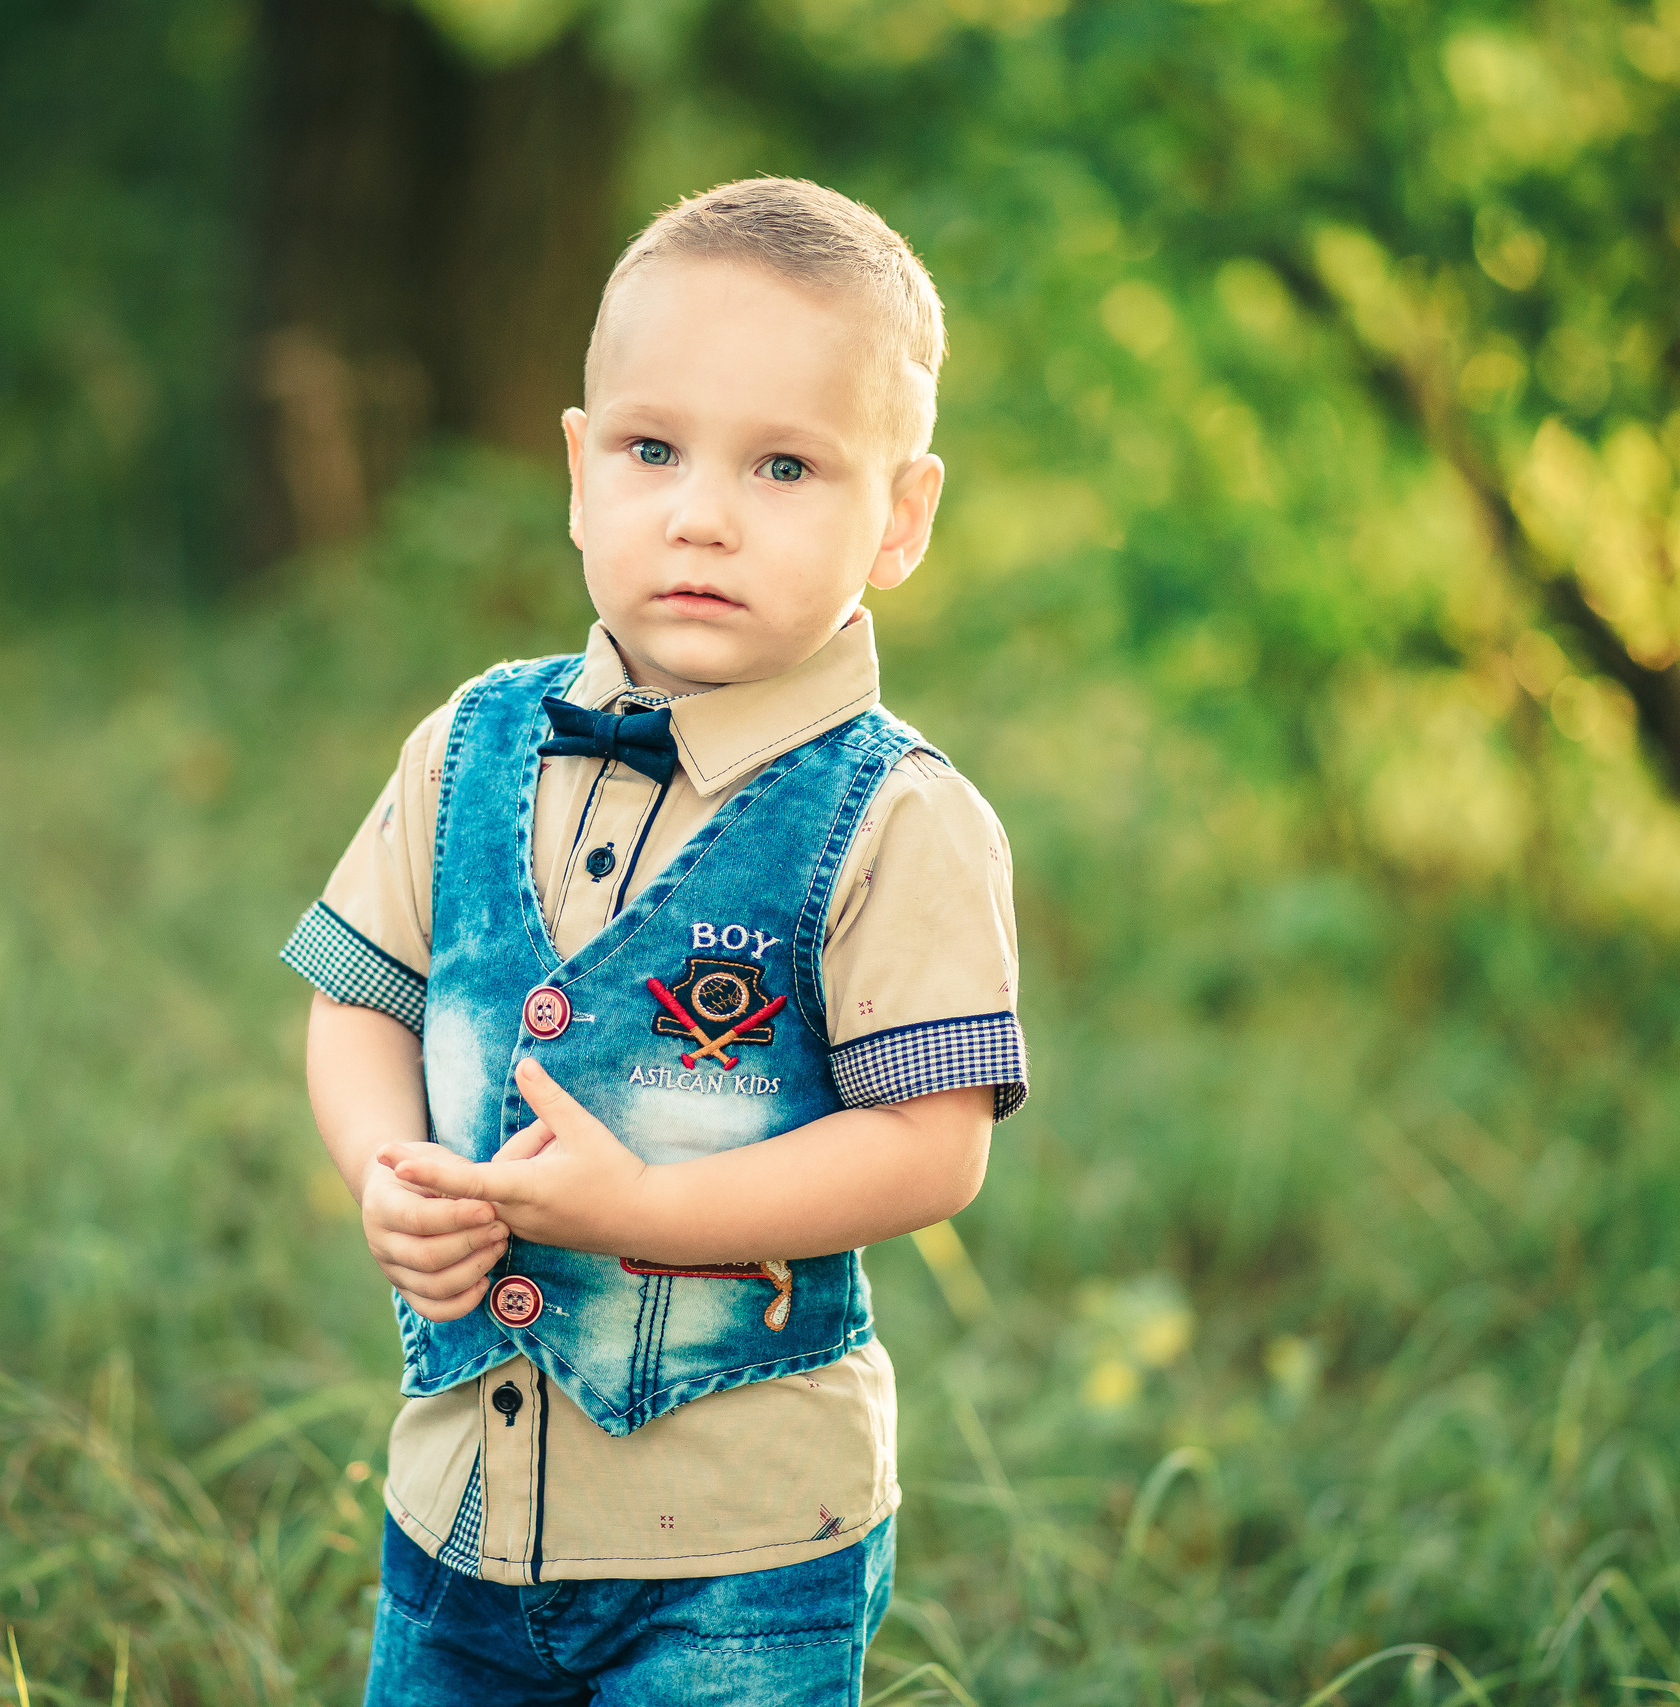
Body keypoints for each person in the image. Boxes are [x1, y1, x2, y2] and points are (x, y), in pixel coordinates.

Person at [283, 176, 1027, 1706]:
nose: (702, 513)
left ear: (900, 517)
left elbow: (933, 1148)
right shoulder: (471, 744)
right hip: (461, 1508)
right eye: (651, 450)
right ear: (578, 474)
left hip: (743, 1548)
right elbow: (362, 1000)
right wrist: (383, 1169)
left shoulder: (895, 817)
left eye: (784, 465)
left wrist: (651, 1207)